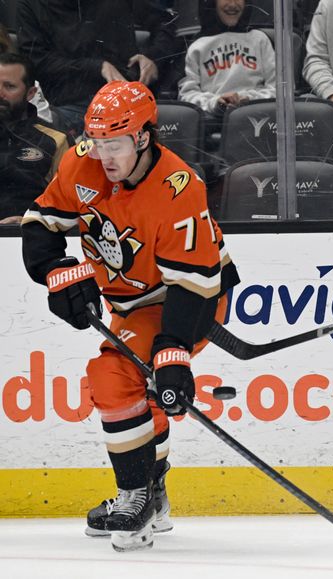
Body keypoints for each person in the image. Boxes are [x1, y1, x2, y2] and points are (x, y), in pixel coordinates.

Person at [20, 81, 240, 552]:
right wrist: (57, 272)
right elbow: (41, 222)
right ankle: (153, 494)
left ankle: (135, 494)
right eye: (97, 143)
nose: (104, 156)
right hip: (133, 302)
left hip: (193, 296)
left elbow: (194, 284)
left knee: (113, 376)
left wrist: (174, 349)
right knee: (146, 394)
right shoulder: (84, 161)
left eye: (114, 144)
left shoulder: (179, 188)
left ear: (143, 137)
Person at [16, 0, 177, 136]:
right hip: (65, 103)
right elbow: (36, 62)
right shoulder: (31, 4)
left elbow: (165, 22)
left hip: (122, 100)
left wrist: (153, 57)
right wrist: (95, 67)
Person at [178, 0, 277, 134]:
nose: (232, 4)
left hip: (257, 119)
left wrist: (248, 100)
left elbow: (279, 89)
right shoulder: (197, 46)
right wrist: (215, 103)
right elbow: (187, 95)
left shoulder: (260, 39)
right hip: (214, 122)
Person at [0, 52, 70, 224]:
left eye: (9, 86)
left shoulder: (56, 139)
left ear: (31, 92)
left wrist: (33, 220)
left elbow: (70, 203)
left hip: (27, 237)